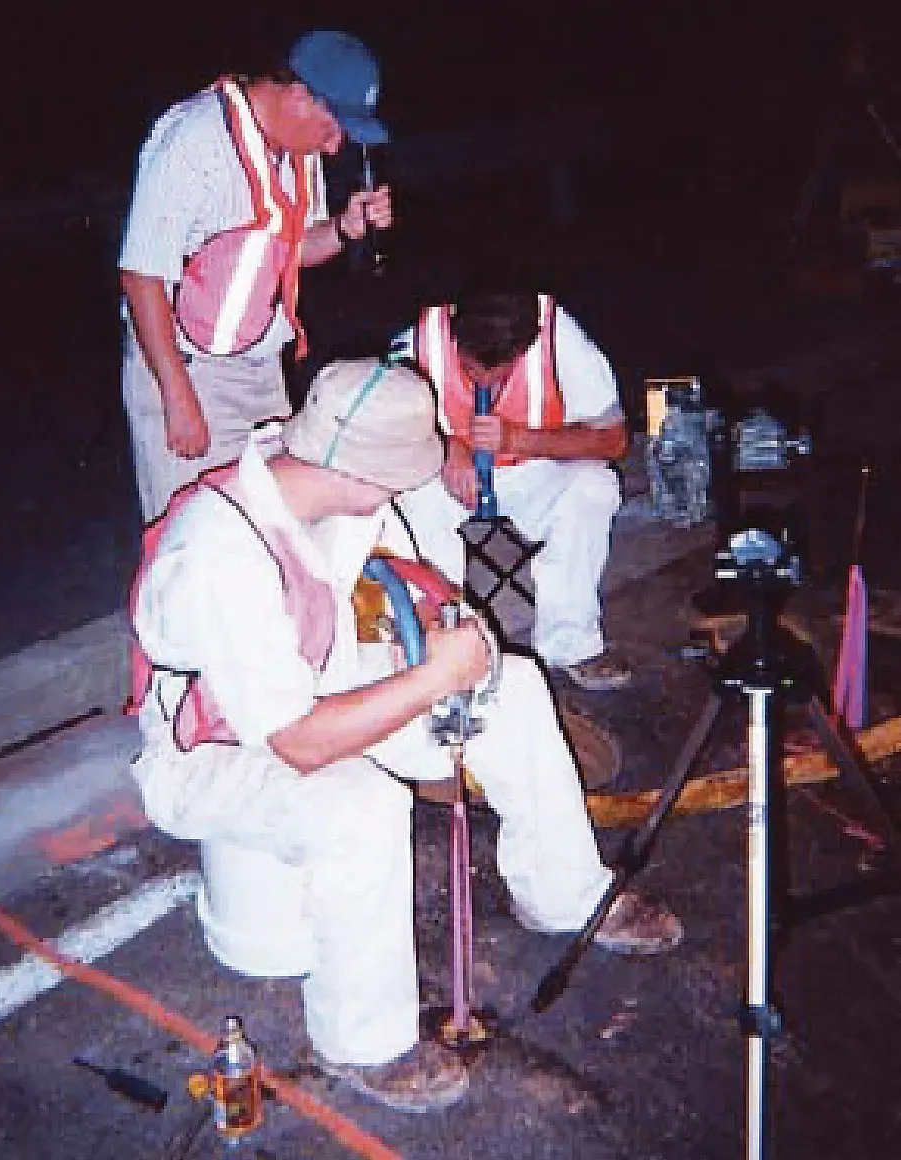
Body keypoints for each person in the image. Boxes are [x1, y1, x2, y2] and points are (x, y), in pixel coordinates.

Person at [128, 357, 683, 1114]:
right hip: (216, 749)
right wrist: (429, 679)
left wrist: (430, 626)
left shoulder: (325, 478)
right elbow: (297, 743)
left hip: (318, 680)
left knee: (510, 689)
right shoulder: (222, 555)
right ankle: (364, 1040)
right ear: (362, 470)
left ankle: (565, 893)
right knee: (355, 805)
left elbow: (393, 575)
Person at [119, 30, 393, 522]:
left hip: (261, 368)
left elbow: (293, 250)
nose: (334, 150)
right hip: (187, 368)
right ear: (298, 96)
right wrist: (178, 396)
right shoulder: (193, 142)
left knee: (271, 524)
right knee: (191, 533)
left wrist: (347, 229)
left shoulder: (296, 152)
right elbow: (142, 276)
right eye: (334, 131)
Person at [388, 287, 632, 691]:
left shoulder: (560, 336)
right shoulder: (421, 336)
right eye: (470, 368)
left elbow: (613, 440)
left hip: (534, 469)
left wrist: (522, 441)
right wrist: (446, 447)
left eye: (499, 370)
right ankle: (442, 639)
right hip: (446, 472)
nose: (483, 380)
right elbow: (383, 426)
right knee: (408, 495)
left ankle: (570, 645)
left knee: (595, 486)